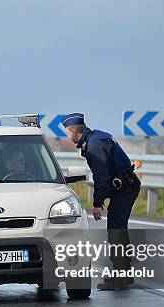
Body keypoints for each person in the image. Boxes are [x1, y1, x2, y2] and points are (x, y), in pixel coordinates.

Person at [62, 113, 140, 290]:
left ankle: (120, 279)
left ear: (73, 132)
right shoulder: (97, 137)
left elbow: (102, 176)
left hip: (124, 189)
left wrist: (98, 204)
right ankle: (125, 275)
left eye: (67, 133)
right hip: (124, 186)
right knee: (119, 230)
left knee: (116, 231)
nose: (68, 136)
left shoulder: (95, 145)